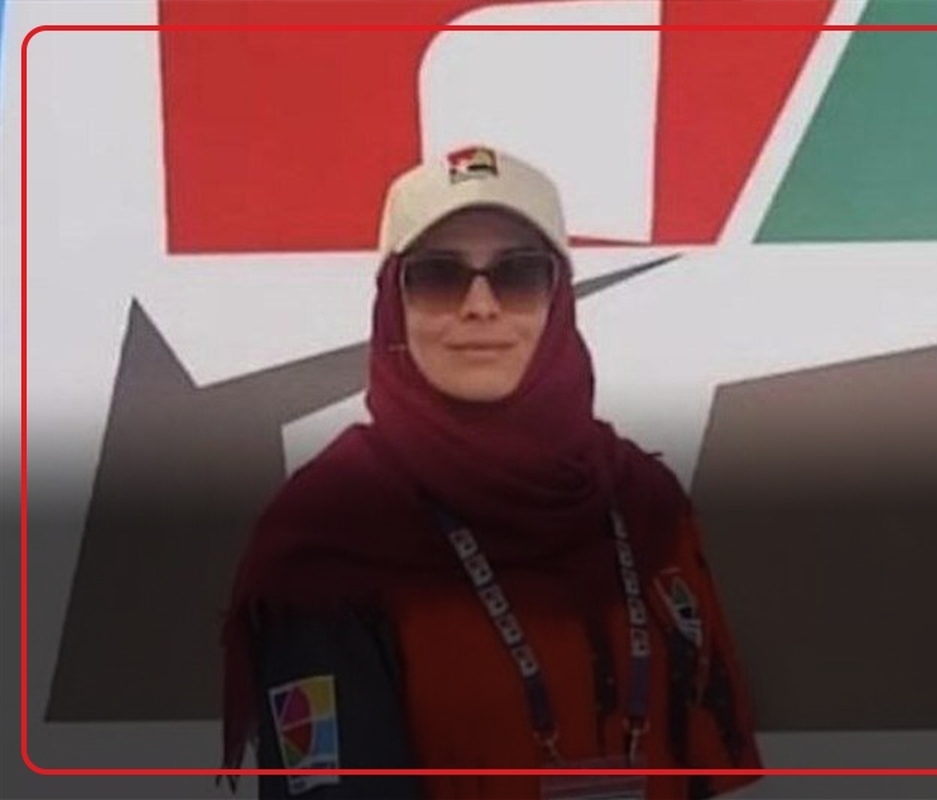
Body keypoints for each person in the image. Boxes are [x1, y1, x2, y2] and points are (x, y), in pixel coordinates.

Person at [220, 146, 762, 799]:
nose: (480, 305)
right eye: (439, 276)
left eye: (519, 274)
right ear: (393, 306)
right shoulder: (330, 533)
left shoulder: (646, 505)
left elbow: (709, 763)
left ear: (559, 302)